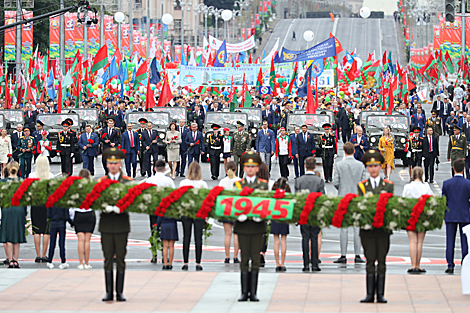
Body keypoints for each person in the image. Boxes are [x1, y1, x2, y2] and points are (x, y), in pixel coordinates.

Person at [358, 150, 394, 304]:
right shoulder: (362, 186)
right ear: (367, 168)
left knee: (382, 260)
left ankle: (380, 294)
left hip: (383, 229)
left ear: (381, 167)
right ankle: (369, 294)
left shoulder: (388, 185)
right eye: (370, 166)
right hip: (367, 229)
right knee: (370, 260)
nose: (373, 168)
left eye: (376, 165)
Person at [98, 148, 132, 302]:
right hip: (106, 224)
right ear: (106, 164)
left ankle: (119, 292)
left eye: (115, 163)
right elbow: (95, 200)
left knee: (120, 258)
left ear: (120, 164)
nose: (113, 165)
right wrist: (103, 206)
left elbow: (133, 201)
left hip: (121, 224)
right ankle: (108, 292)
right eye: (110, 163)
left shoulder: (127, 182)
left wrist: (122, 207)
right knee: (107, 259)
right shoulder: (101, 182)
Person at [234, 151, 268, 302]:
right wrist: (238, 214)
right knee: (244, 258)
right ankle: (243, 292)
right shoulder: (238, 184)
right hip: (242, 225)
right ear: (243, 167)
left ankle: (253, 292)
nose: (249, 169)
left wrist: (260, 214)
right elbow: (233, 203)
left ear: (257, 168)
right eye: (247, 166)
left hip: (257, 226)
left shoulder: (263, 185)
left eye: (252, 166)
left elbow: (267, 204)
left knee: (255, 258)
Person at [332, 142, 367, 264]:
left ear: (344, 151)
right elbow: (364, 182)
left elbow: (335, 182)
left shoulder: (339, 165)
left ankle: (343, 255)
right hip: (357, 198)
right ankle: (357, 255)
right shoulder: (360, 165)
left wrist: (342, 189)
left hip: (343, 197)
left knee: (344, 228)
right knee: (357, 228)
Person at [295, 157, 325, 272]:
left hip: (304, 213)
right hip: (315, 213)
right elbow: (321, 198)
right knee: (314, 238)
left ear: (305, 166)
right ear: (315, 167)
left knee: (305, 238)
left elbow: (297, 199)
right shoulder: (319, 181)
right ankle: (315, 263)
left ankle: (306, 264)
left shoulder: (299, 180)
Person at [146, 160, 177, 270]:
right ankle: (165, 256)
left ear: (155, 168)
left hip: (153, 208)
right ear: (164, 169)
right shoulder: (168, 181)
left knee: (154, 230)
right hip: (165, 209)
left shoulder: (150, 180)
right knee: (165, 233)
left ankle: (154, 254)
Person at [402, 167, 433, 274]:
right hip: (422, 215)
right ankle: (418, 265)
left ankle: (412, 265)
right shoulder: (426, 187)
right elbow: (431, 199)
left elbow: (403, 201)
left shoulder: (408, 187)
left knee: (412, 242)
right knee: (420, 242)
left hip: (411, 215)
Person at [441, 159, 470, 274]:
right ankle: (464, 262)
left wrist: (444, 215)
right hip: (464, 215)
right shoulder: (468, 184)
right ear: (463, 169)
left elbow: (444, 201)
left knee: (450, 240)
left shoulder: (447, 183)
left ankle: (450, 264)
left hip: (451, 214)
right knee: (465, 241)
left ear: (453, 169)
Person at [179, 162, 208, 271]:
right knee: (198, 238)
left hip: (187, 211)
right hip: (199, 212)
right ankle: (198, 262)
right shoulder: (203, 184)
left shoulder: (183, 183)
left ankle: (185, 262)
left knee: (186, 237)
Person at [68, 169, 96, 270]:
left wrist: (71, 219)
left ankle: (80, 263)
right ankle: (87, 263)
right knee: (87, 240)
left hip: (78, 213)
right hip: (89, 213)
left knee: (80, 239)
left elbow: (71, 205)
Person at [28, 155, 54, 263]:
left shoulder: (32, 175)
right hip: (47, 204)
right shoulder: (50, 176)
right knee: (47, 231)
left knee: (36, 231)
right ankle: (44, 254)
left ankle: (38, 255)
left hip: (36, 204)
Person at [0, 162, 26, 268]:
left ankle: (10, 259)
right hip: (18, 208)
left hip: (7, 208)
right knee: (17, 235)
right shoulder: (21, 181)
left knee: (8, 235)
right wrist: (24, 212)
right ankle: (16, 259)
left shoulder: (3, 182)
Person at [218, 161, 241, 263]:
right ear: (236, 169)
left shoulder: (223, 181)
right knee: (236, 234)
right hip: (236, 209)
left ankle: (227, 256)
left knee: (227, 234)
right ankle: (235, 256)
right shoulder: (239, 181)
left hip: (226, 209)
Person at [271, 177, 291, 272]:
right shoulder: (286, 195)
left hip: (275, 217)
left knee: (276, 241)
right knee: (283, 241)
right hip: (284, 216)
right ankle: (282, 263)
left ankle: (277, 263)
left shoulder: (273, 195)